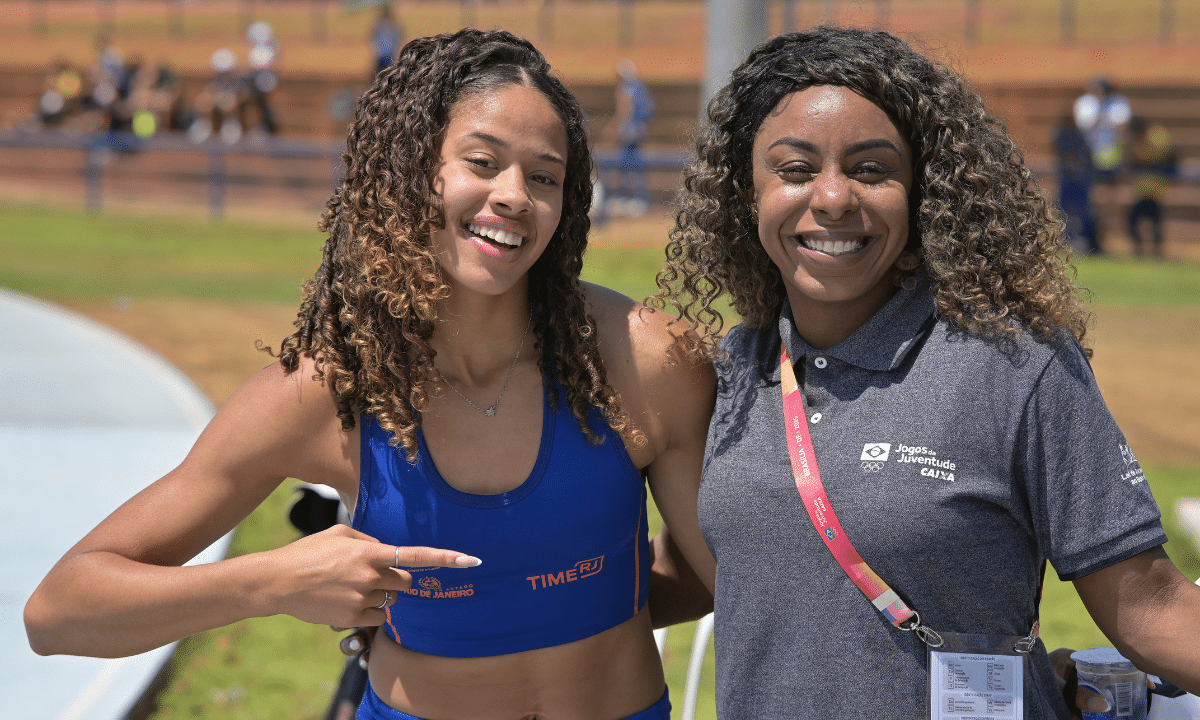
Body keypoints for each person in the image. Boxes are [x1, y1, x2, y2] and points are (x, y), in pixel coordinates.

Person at [24, 29, 717, 720]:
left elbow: (722, 573)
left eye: (544, 177)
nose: (513, 194)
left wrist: (562, 600)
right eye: (482, 161)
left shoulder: (644, 363)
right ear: (409, 170)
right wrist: (272, 583)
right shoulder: (330, 392)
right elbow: (59, 613)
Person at [650, 26, 1200, 720]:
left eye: (871, 170)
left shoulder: (1014, 365)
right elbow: (720, 558)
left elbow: (1154, 608)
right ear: (745, 194)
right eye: (794, 169)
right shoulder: (734, 370)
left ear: (923, 193)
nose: (833, 197)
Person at [1074, 76, 1131, 251]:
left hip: (1111, 158)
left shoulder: (1118, 103)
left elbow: (1121, 125)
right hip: (1088, 157)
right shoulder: (1085, 103)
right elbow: (1085, 125)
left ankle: (1110, 231)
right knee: (1092, 198)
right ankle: (1093, 233)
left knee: (1111, 198)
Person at [604, 58, 655, 218]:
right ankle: (637, 199)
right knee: (633, 163)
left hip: (629, 133)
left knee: (627, 164)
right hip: (638, 132)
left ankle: (633, 199)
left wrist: (614, 128)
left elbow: (625, 111)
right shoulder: (639, 87)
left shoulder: (626, 88)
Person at [1125, 117, 1178, 258]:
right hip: (1144, 191)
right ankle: (1140, 248)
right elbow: (1134, 162)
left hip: (1156, 191)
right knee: (1133, 219)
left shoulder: (1158, 137)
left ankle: (1157, 251)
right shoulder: (1138, 143)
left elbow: (1173, 157)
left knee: (1154, 223)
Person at [1053, 112, 1099, 254]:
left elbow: (1088, 153)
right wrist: (1070, 163)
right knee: (1063, 211)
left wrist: (1078, 164)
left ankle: (1085, 240)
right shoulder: (1061, 135)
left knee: (1083, 212)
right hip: (1066, 180)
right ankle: (1063, 239)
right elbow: (1059, 151)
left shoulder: (1080, 136)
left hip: (1080, 180)